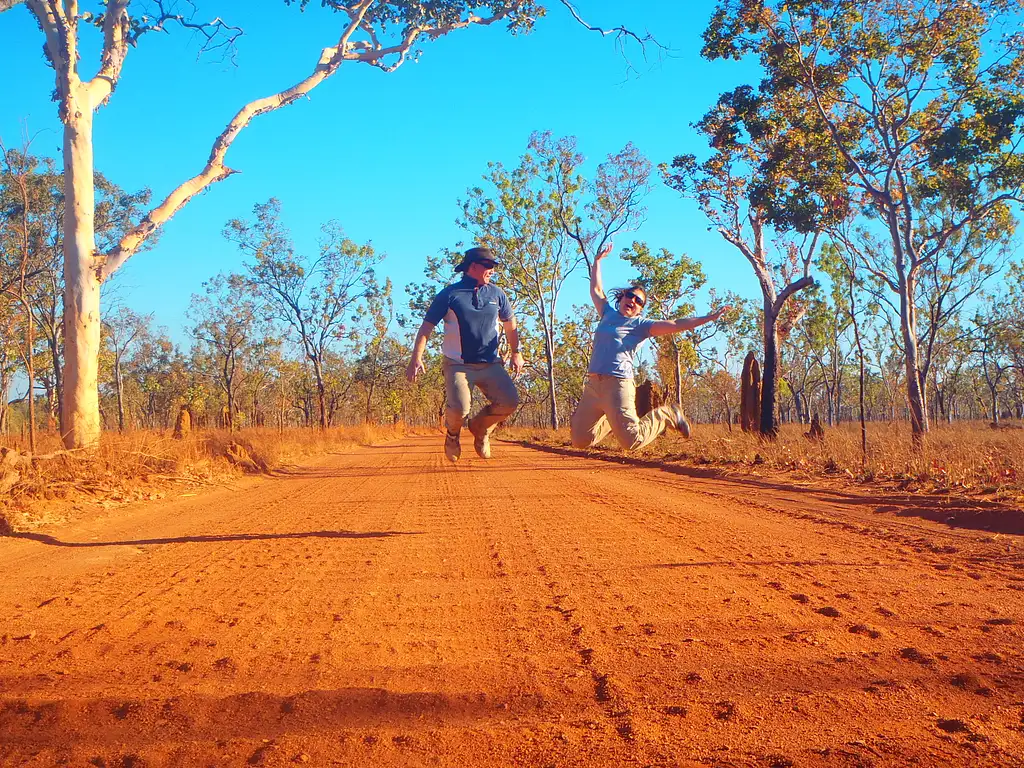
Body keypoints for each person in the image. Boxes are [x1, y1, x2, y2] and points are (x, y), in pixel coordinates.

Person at [570, 241, 729, 451]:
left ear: (640, 309)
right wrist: (597, 262)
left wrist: (709, 317)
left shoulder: (641, 325)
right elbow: (597, 289)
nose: (633, 301)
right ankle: (612, 418)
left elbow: (676, 324)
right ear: (622, 297)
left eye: (639, 301)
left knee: (631, 442)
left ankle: (667, 414)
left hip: (617, 385)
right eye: (630, 296)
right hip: (593, 385)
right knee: (580, 440)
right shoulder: (607, 313)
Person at [406, 246, 525, 462]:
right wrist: (416, 358)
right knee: (460, 408)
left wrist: (516, 352)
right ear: (472, 267)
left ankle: (481, 429)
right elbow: (426, 328)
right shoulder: (450, 295)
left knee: (509, 402)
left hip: (491, 364)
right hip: (458, 364)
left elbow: (510, 324)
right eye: (488, 266)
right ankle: (453, 435)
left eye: (493, 267)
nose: (492, 270)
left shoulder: (497, 294)